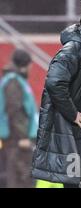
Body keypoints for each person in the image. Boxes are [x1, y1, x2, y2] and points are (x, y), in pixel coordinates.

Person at [31, 3, 81, 188]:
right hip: (76, 134)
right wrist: (72, 113)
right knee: (77, 185)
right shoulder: (73, 49)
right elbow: (54, 83)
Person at [0, 49, 38, 188]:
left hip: (18, 139)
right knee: (20, 178)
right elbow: (14, 111)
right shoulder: (13, 82)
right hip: (17, 140)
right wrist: (22, 137)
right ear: (25, 65)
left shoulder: (16, 80)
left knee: (23, 177)